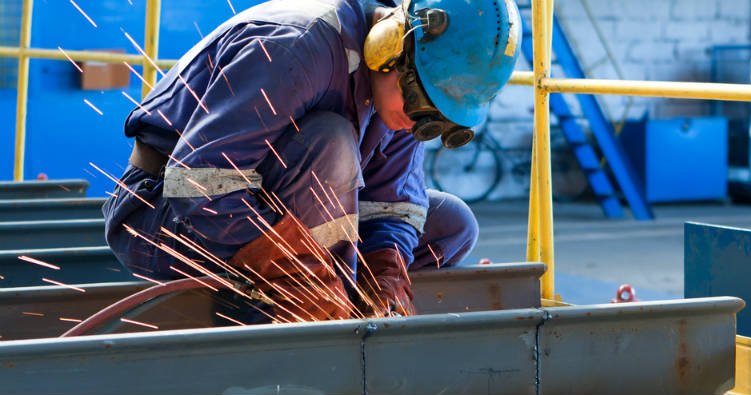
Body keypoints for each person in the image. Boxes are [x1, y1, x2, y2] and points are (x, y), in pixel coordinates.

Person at [103, 0, 521, 323]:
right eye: (419, 104)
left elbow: (393, 203)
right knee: (332, 144)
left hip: (275, 206)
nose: (415, 123)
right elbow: (197, 186)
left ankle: (336, 299)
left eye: (432, 122)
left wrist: (386, 273)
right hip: (162, 216)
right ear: (391, 46)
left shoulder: (400, 95)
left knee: (453, 224)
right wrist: (307, 280)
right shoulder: (297, 47)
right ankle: (289, 321)